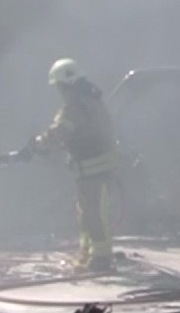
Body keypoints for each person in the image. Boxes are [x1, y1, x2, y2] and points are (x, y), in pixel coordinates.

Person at [17, 58, 118, 273]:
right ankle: (88, 255)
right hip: (94, 168)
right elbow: (79, 136)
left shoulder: (75, 107)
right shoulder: (92, 101)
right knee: (87, 214)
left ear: (65, 85)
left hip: (92, 170)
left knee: (93, 215)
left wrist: (35, 144)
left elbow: (58, 134)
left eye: (59, 87)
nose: (59, 92)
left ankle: (101, 260)